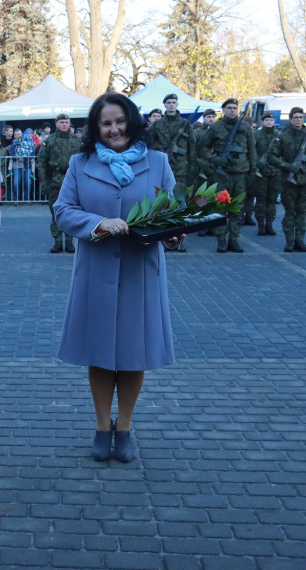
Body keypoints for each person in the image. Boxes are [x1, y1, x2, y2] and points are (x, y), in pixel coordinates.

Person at [53, 92, 176, 463]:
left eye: (119, 121)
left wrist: (174, 230)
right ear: (95, 128)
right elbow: (63, 210)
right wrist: (98, 223)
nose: (114, 129)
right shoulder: (80, 163)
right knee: (100, 352)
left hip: (141, 271)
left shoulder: (158, 162)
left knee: (133, 352)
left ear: (132, 121)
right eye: (105, 123)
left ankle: (124, 426)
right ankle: (100, 425)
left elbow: (170, 208)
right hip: (96, 270)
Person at [201, 99, 255, 253]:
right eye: (229, 108)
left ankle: (234, 239)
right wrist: (213, 158)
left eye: (234, 108)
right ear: (223, 109)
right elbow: (203, 147)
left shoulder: (245, 127)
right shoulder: (216, 127)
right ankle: (221, 240)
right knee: (221, 207)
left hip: (240, 174)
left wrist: (252, 170)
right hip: (222, 175)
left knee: (237, 208)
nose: (232, 110)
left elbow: (252, 150)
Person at [267, 107, 306, 252]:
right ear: (290, 119)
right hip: (288, 180)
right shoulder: (283, 136)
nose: (298, 120)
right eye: (295, 117)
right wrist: (288, 166)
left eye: (301, 117)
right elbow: (271, 157)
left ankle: (300, 240)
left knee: (302, 211)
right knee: (290, 211)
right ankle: (289, 241)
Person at [147, 94, 195, 252]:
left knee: (181, 203)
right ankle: (163, 238)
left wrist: (192, 166)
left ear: (177, 104)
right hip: (162, 166)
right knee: (163, 202)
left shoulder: (185, 124)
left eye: (174, 102)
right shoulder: (157, 124)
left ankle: (180, 239)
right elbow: (150, 143)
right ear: (165, 105)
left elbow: (191, 146)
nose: (171, 105)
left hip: (181, 167)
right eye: (168, 102)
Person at [37, 113, 83, 253]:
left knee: (71, 212)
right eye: (61, 122)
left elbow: (83, 161)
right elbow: (42, 163)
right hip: (54, 182)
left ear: (70, 124)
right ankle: (57, 242)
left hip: (72, 182)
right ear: (56, 124)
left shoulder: (76, 140)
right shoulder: (49, 141)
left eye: (66, 122)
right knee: (56, 212)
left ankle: (69, 241)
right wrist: (44, 183)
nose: (64, 124)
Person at [252, 113, 281, 235]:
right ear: (262, 121)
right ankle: (261, 225)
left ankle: (269, 224)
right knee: (261, 199)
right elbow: (252, 150)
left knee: (272, 200)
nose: (269, 122)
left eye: (271, 120)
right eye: (267, 120)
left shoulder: (279, 135)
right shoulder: (257, 134)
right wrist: (256, 162)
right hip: (261, 172)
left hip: (275, 172)